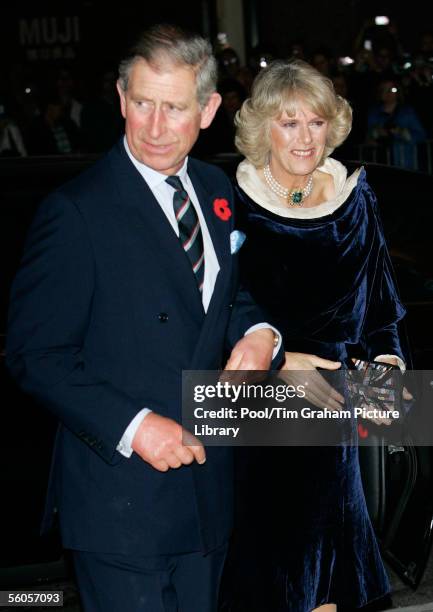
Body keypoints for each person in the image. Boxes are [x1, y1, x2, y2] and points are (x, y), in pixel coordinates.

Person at [5, 24, 282, 612]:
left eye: (175, 108)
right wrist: (135, 425)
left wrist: (260, 336)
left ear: (208, 110)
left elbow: (228, 300)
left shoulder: (215, 189)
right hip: (121, 503)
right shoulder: (77, 211)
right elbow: (35, 355)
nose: (156, 127)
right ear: (122, 99)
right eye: (143, 104)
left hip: (208, 489)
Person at [221, 59, 406, 611]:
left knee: (334, 566)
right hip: (264, 406)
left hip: (338, 407)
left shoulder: (353, 197)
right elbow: (216, 313)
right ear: (263, 129)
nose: (305, 137)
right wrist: (281, 363)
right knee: (277, 567)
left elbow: (382, 308)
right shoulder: (235, 202)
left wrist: (384, 381)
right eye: (289, 122)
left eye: (316, 122)